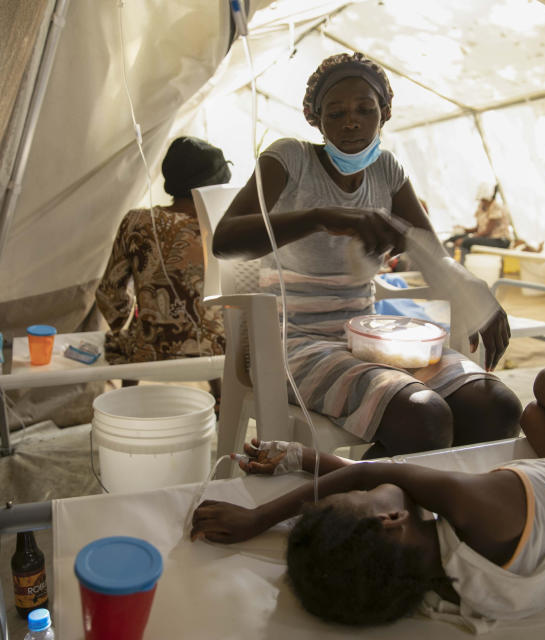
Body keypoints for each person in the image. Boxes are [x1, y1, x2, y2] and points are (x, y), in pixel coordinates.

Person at [190, 369, 545, 631]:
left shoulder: (441, 592)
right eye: (366, 501)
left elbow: (367, 489)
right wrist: (261, 517)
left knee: (535, 425)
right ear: (394, 519)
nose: (367, 492)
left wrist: (302, 460)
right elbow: (374, 472)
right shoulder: (475, 505)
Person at [213, 52, 522, 457]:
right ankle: (363, 505)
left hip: (367, 335)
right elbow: (225, 240)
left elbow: (429, 252)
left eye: (364, 109)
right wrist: (322, 217)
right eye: (336, 113)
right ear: (314, 117)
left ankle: (412, 503)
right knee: (423, 415)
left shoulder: (387, 171)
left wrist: (474, 293)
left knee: (495, 407)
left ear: (385, 112)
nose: (351, 122)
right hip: (293, 342)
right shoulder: (290, 159)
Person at [96, 136, 230, 392]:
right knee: (211, 322)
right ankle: (221, 398)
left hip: (148, 351)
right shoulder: (223, 228)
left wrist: (125, 318)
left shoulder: (137, 222)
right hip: (215, 353)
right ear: (215, 185)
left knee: (133, 336)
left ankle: (127, 396)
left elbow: (110, 291)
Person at [445, 183, 513, 258]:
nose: (482, 201)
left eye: (484, 199)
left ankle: (460, 260)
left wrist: (468, 238)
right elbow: (478, 228)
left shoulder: (496, 207)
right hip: (485, 238)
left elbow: (487, 231)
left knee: (466, 242)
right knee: (453, 239)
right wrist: (463, 230)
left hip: (498, 240)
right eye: (482, 199)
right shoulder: (481, 206)